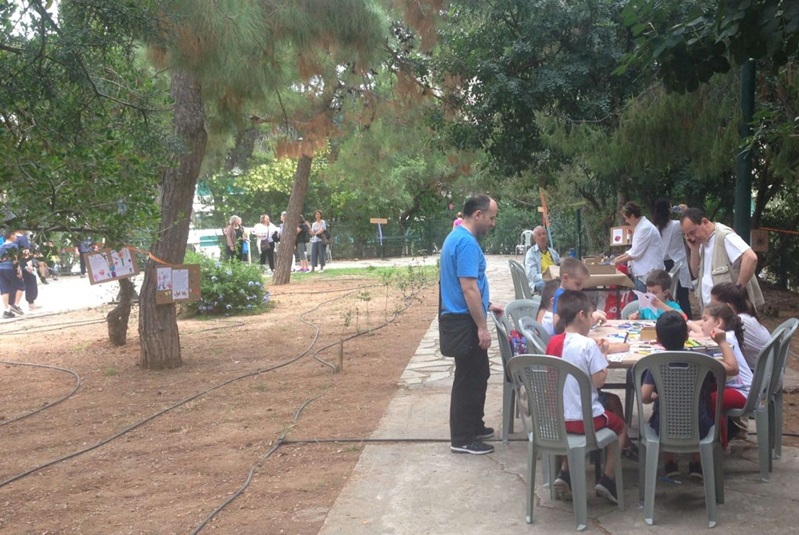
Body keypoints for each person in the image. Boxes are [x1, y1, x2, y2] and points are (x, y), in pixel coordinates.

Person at [547, 290, 628, 504]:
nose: (593, 320)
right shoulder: (588, 345)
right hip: (584, 422)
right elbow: (599, 381)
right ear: (582, 315)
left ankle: (565, 472)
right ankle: (608, 478)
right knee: (621, 428)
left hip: (556, 421)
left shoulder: (553, 342)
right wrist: (602, 355)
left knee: (570, 403)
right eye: (591, 315)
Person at [439, 194, 504, 455]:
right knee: (468, 379)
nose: (492, 223)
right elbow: (468, 288)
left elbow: (462, 286)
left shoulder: (457, 237)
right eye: (491, 217)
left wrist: (487, 304)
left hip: (464, 316)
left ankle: (474, 425)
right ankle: (463, 439)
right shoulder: (465, 243)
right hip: (464, 322)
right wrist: (482, 326)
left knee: (479, 374)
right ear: (478, 215)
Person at [640, 311, 718, 480]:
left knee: (666, 411)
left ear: (658, 339)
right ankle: (696, 463)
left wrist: (657, 396)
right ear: (687, 335)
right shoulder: (701, 359)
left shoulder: (656, 362)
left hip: (664, 425)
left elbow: (644, 396)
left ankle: (670, 463)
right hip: (700, 423)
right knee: (696, 409)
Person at [680, 207, 764, 311]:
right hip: (711, 310)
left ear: (704, 222)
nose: (692, 238)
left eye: (692, 232)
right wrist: (694, 250)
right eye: (688, 235)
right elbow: (695, 273)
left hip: (729, 311)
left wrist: (737, 291)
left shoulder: (724, 236)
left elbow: (750, 257)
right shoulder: (702, 242)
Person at [699, 302, 752, 449]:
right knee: (703, 392)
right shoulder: (723, 336)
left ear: (719, 322)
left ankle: (721, 444)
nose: (702, 324)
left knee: (710, 400)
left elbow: (731, 369)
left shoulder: (725, 338)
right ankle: (725, 432)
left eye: (705, 320)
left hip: (744, 390)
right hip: (735, 386)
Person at [710, 282, 770, 371]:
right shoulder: (746, 316)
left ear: (727, 306)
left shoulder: (739, 321)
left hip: (758, 375)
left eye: (715, 306)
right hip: (764, 372)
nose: (712, 309)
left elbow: (711, 335)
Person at [652, 198, 692, 318]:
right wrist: (685, 211)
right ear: (669, 210)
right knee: (682, 296)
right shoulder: (676, 225)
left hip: (662, 265)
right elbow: (690, 224)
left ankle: (667, 319)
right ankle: (687, 320)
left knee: (666, 296)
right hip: (677, 265)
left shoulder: (654, 228)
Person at [613, 201, 664, 293]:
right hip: (643, 273)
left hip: (648, 273)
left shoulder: (645, 228)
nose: (626, 221)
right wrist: (618, 258)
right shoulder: (640, 227)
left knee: (644, 303)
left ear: (632, 216)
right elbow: (634, 249)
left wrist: (617, 261)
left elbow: (636, 253)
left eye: (626, 218)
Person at [552, 257, 606, 329]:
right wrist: (591, 318)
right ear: (565, 278)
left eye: (582, 285)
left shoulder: (568, 294)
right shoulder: (562, 296)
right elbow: (557, 323)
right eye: (577, 284)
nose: (580, 288)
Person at [524, 225, 561, 293]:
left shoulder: (553, 252)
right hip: (540, 282)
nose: (542, 236)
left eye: (544, 234)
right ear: (535, 238)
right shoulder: (531, 254)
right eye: (539, 235)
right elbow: (532, 276)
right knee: (552, 286)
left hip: (555, 280)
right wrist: (546, 277)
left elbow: (560, 266)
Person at [0, 229, 25, 318]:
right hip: (10, 268)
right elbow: (15, 259)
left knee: (4, 289)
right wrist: (19, 269)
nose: (16, 237)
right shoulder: (14, 246)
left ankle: (6, 311)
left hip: (1, 269)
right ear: (11, 236)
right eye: (15, 235)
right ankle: (15, 305)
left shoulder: (1, 246)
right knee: (21, 285)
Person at [15, 229, 39, 310]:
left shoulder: (8, 237)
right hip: (23, 263)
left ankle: (11, 304)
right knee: (31, 279)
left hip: (11, 264)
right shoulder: (22, 238)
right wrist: (29, 265)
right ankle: (31, 302)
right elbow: (26, 252)